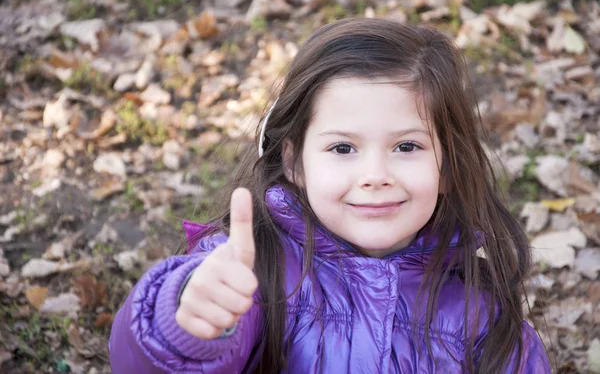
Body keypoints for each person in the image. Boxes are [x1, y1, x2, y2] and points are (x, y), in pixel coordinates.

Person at [109, 18, 551, 373]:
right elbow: (145, 363)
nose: (375, 176)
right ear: (295, 162)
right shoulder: (250, 272)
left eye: (406, 146)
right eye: (343, 148)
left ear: (448, 167)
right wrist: (188, 322)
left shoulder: (482, 315)